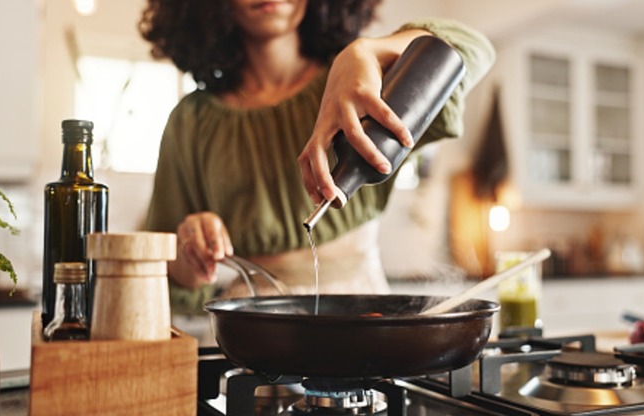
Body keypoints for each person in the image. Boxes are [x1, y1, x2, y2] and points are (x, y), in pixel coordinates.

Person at [139, 0, 495, 311]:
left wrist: (367, 52)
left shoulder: (359, 83)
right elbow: (165, 277)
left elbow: (473, 50)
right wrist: (192, 249)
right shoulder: (191, 122)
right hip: (258, 328)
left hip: (362, 313)